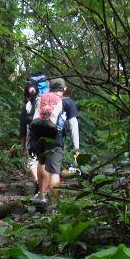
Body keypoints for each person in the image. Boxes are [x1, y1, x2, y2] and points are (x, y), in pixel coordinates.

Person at [30, 77, 80, 206]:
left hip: (37, 136)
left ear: (50, 88)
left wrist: (28, 144)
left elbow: (30, 121)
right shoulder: (67, 102)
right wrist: (76, 148)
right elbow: (73, 125)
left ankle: (42, 195)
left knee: (42, 163)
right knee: (54, 171)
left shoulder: (40, 99)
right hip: (54, 137)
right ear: (64, 89)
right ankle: (54, 205)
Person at [19, 84, 39, 188]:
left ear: (25, 96)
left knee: (32, 162)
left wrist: (23, 147)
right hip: (48, 137)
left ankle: (38, 182)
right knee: (44, 161)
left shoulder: (26, 107)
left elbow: (23, 130)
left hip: (32, 138)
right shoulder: (44, 103)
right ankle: (46, 185)